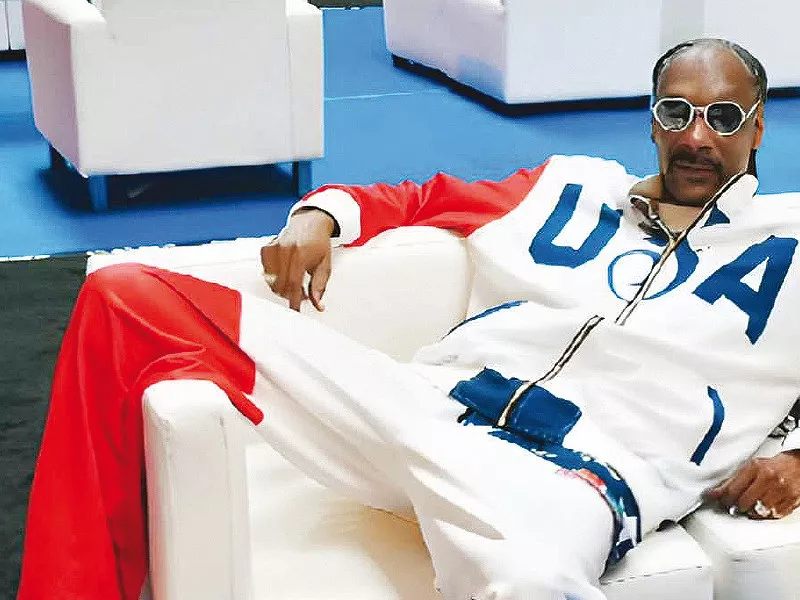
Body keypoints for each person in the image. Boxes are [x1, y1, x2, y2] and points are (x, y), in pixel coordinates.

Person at [16, 37, 800, 600]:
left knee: (532, 584)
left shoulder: (790, 256)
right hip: (421, 410)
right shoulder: (566, 187)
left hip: (571, 482)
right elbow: (420, 200)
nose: (698, 137)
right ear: (652, 120)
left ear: (759, 127)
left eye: (724, 117)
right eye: (677, 111)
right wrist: (319, 215)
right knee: (125, 295)